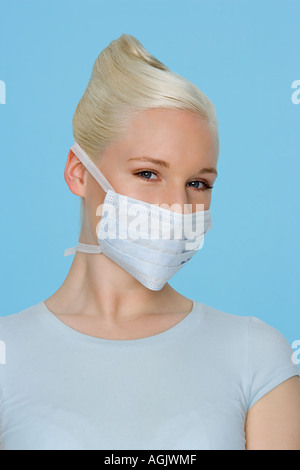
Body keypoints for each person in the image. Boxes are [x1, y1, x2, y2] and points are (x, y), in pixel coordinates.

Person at [0, 34, 299, 451]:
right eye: (148, 173)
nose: (178, 206)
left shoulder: (256, 354)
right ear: (79, 173)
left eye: (198, 183)